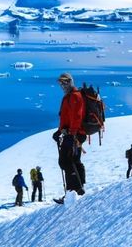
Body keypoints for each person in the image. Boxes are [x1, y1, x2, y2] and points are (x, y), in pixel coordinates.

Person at [52, 73, 87, 202]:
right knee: (74, 160)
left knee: (65, 161)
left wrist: (72, 134)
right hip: (75, 133)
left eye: (65, 82)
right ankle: (78, 189)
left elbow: (76, 117)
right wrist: (59, 131)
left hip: (75, 134)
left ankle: (74, 191)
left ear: (70, 82)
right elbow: (67, 118)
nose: (62, 85)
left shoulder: (74, 97)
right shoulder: (69, 97)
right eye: (60, 82)